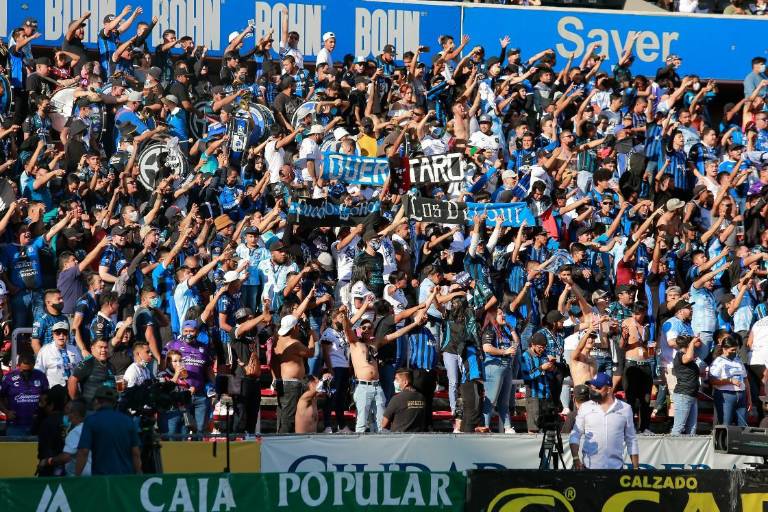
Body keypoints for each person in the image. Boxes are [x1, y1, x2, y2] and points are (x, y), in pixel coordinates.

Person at [569, 372, 640, 470]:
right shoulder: (585, 407)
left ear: (609, 389)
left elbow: (631, 439)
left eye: (597, 388)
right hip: (589, 469)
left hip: (616, 469)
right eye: (591, 387)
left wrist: (636, 468)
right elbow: (575, 434)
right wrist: (576, 459)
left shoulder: (625, 409)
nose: (593, 391)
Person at [75, 386, 141, 475]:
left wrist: (77, 476)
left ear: (96, 401)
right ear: (114, 403)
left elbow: (83, 451)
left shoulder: (91, 421)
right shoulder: (127, 420)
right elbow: (135, 453)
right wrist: (138, 472)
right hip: (125, 479)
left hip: (102, 480)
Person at [0, 353, 48, 436]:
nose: (26, 373)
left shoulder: (41, 376)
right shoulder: (8, 378)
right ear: (18, 366)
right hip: (15, 425)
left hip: (36, 424)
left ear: (33, 365)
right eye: (23, 371)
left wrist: (42, 405)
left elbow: (46, 396)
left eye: (29, 371)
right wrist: (6, 412)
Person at [710, 336, 751, 426]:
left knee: (743, 426)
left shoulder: (738, 360)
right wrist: (730, 380)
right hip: (726, 395)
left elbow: (745, 379)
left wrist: (749, 398)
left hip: (741, 395)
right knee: (725, 425)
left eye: (735, 350)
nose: (734, 352)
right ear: (724, 349)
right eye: (732, 350)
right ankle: (722, 440)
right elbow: (713, 380)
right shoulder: (718, 361)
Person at [67, 339, 116, 408]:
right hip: (92, 409)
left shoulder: (111, 365)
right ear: (92, 349)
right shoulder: (88, 363)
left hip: (109, 408)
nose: (103, 350)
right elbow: (72, 381)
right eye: (100, 347)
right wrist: (77, 402)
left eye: (105, 347)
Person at [35, 321, 83, 387]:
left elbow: (81, 368)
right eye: (58, 333)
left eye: (64, 333)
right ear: (53, 334)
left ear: (68, 335)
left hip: (73, 389)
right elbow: (38, 372)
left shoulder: (74, 349)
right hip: (54, 391)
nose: (61, 335)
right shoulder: (45, 350)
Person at [671, 335, 702, 435]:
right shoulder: (680, 355)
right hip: (683, 395)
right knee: (679, 427)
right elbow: (687, 357)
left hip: (692, 395)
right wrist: (693, 342)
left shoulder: (689, 359)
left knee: (692, 429)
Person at [382, 368, 426, 432]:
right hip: (416, 436)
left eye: (397, 379)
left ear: (405, 382)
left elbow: (384, 424)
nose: (395, 382)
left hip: (398, 437)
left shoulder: (396, 399)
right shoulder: (422, 397)